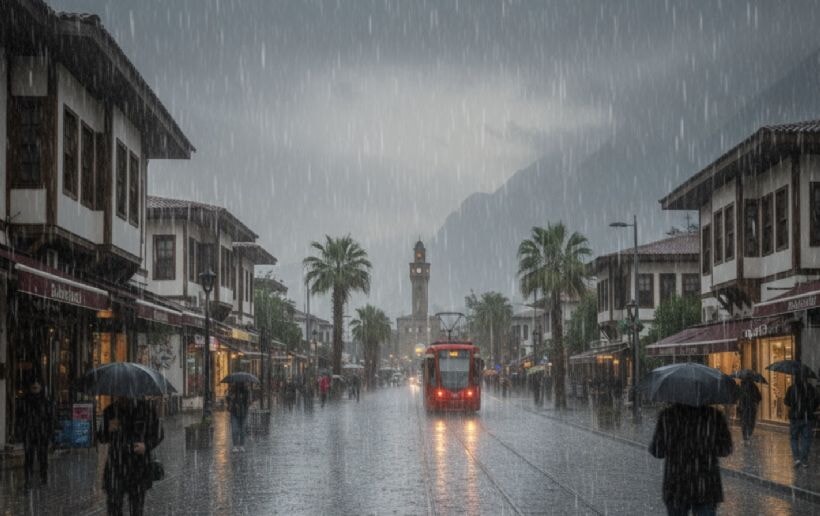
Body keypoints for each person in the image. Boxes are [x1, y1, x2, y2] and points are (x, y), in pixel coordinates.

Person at [649, 403, 733, 516]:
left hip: (677, 484)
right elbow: (725, 449)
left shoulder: (668, 415)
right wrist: (707, 445)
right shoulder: (714, 416)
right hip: (706, 484)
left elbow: (658, 451)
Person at [99, 398, 162, 516]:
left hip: (138, 466)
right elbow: (101, 438)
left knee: (136, 508)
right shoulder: (110, 411)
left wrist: (146, 446)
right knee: (113, 507)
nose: (123, 397)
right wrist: (108, 429)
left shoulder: (146, 410)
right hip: (116, 466)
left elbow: (159, 434)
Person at [15, 379, 54, 489]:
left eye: (37, 387)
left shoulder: (45, 402)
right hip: (29, 433)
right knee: (29, 458)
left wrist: (49, 432)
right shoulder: (25, 401)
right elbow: (19, 418)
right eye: (33, 387)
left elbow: (50, 418)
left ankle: (43, 477)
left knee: (42, 457)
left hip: (42, 433)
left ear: (40, 388)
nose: (35, 389)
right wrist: (21, 431)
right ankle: (28, 479)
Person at [784, 373, 819, 467]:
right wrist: (810, 409)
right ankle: (804, 460)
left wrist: (791, 411)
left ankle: (797, 458)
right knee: (806, 438)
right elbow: (816, 402)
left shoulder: (792, 389)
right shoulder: (811, 389)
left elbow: (787, 402)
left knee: (794, 438)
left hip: (795, 417)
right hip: (807, 417)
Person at [227, 383, 251, 452]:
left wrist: (244, 403)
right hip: (234, 413)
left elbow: (249, 402)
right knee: (234, 430)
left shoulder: (246, 391)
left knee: (242, 430)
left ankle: (241, 445)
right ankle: (235, 445)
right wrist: (232, 400)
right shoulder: (232, 390)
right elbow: (228, 401)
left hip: (243, 413)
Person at [736, 378, 762, 443]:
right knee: (751, 421)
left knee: (744, 421)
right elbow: (759, 397)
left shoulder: (741, 386)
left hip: (743, 407)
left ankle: (745, 435)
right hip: (751, 407)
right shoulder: (754, 386)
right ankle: (749, 434)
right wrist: (755, 401)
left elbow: (737, 396)